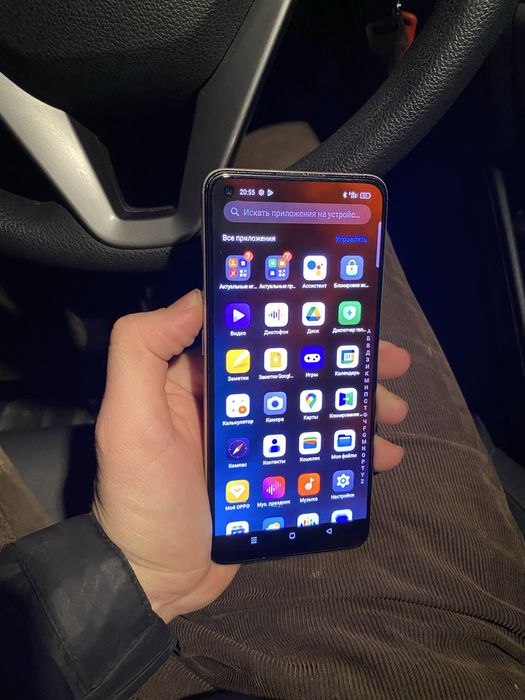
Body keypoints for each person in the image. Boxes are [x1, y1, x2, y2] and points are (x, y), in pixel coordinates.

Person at [1, 239, 524, 699]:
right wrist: (146, 575)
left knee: (332, 339)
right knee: (348, 320)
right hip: (467, 654)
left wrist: (143, 573)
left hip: (166, 659)